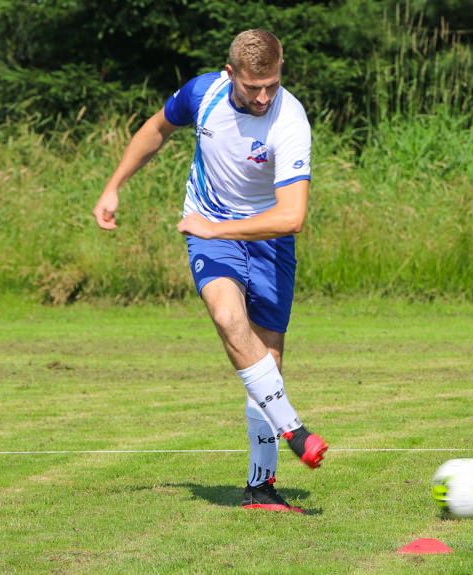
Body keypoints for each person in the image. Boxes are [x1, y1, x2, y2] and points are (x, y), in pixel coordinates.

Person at [92, 29, 327, 513]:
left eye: (272, 84)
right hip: (208, 230)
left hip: (268, 240)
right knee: (225, 317)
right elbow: (156, 128)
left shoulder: (290, 120)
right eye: (252, 87)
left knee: (267, 367)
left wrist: (220, 229)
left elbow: (292, 218)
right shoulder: (204, 93)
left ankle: (260, 489)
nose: (263, 96)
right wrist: (114, 185)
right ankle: (296, 430)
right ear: (230, 74)